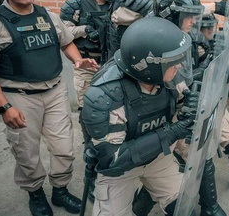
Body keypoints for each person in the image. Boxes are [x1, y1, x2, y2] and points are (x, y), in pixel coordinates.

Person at [0, 0, 99, 216]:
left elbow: (66, 41)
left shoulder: (48, 16)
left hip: (54, 92)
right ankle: (36, 193)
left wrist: (77, 60)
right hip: (18, 96)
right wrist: (4, 107)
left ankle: (60, 190)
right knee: (26, 151)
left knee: (64, 147)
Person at [81, 17, 198, 216]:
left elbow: (180, 103)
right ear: (148, 67)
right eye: (172, 62)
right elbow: (112, 160)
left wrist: (191, 107)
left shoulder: (168, 76)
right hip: (119, 172)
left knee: (184, 207)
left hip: (157, 158)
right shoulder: (106, 96)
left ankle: (142, 204)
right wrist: (172, 133)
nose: (178, 67)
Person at [156, 0, 229, 214]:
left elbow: (198, 70)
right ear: (174, 16)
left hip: (207, 100)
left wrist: (217, 63)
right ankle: (209, 206)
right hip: (180, 112)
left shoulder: (190, 35)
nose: (194, 20)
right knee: (202, 159)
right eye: (188, 16)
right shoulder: (156, 41)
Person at [59, 0, 118, 117]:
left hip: (111, 62)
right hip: (87, 65)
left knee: (112, 107)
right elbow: (63, 32)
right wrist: (85, 30)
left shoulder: (115, 4)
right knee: (88, 108)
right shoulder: (75, 4)